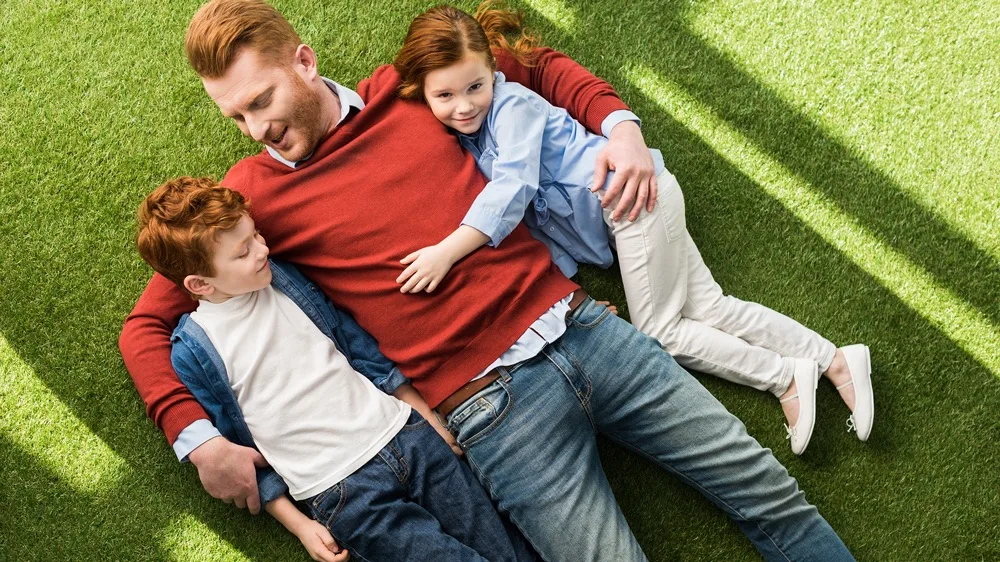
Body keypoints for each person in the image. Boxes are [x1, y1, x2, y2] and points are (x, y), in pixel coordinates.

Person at [120, 0, 856, 559]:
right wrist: (198, 440)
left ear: (305, 64)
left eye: (261, 102)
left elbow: (532, 67)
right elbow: (149, 324)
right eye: (235, 116)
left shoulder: (408, 92)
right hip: (490, 413)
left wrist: (624, 131)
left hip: (588, 329)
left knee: (770, 496)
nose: (254, 129)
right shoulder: (250, 200)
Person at [390, 4, 874, 455]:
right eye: (445, 95)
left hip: (633, 199)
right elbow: (540, 231)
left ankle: (785, 377)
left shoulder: (511, 107)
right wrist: (562, 298)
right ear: (422, 94)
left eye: (475, 86)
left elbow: (513, 191)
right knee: (710, 307)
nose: (464, 105)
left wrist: (447, 251)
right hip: (635, 208)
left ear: (493, 72)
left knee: (660, 332)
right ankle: (834, 360)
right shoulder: (470, 143)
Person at [136, 176, 534, 562]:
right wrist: (299, 524)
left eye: (255, 235)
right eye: (242, 253)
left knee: (508, 550)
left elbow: (359, 349)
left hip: (407, 436)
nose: (262, 250)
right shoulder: (194, 350)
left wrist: (423, 415)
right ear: (200, 284)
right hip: (341, 489)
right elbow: (241, 451)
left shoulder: (286, 281)